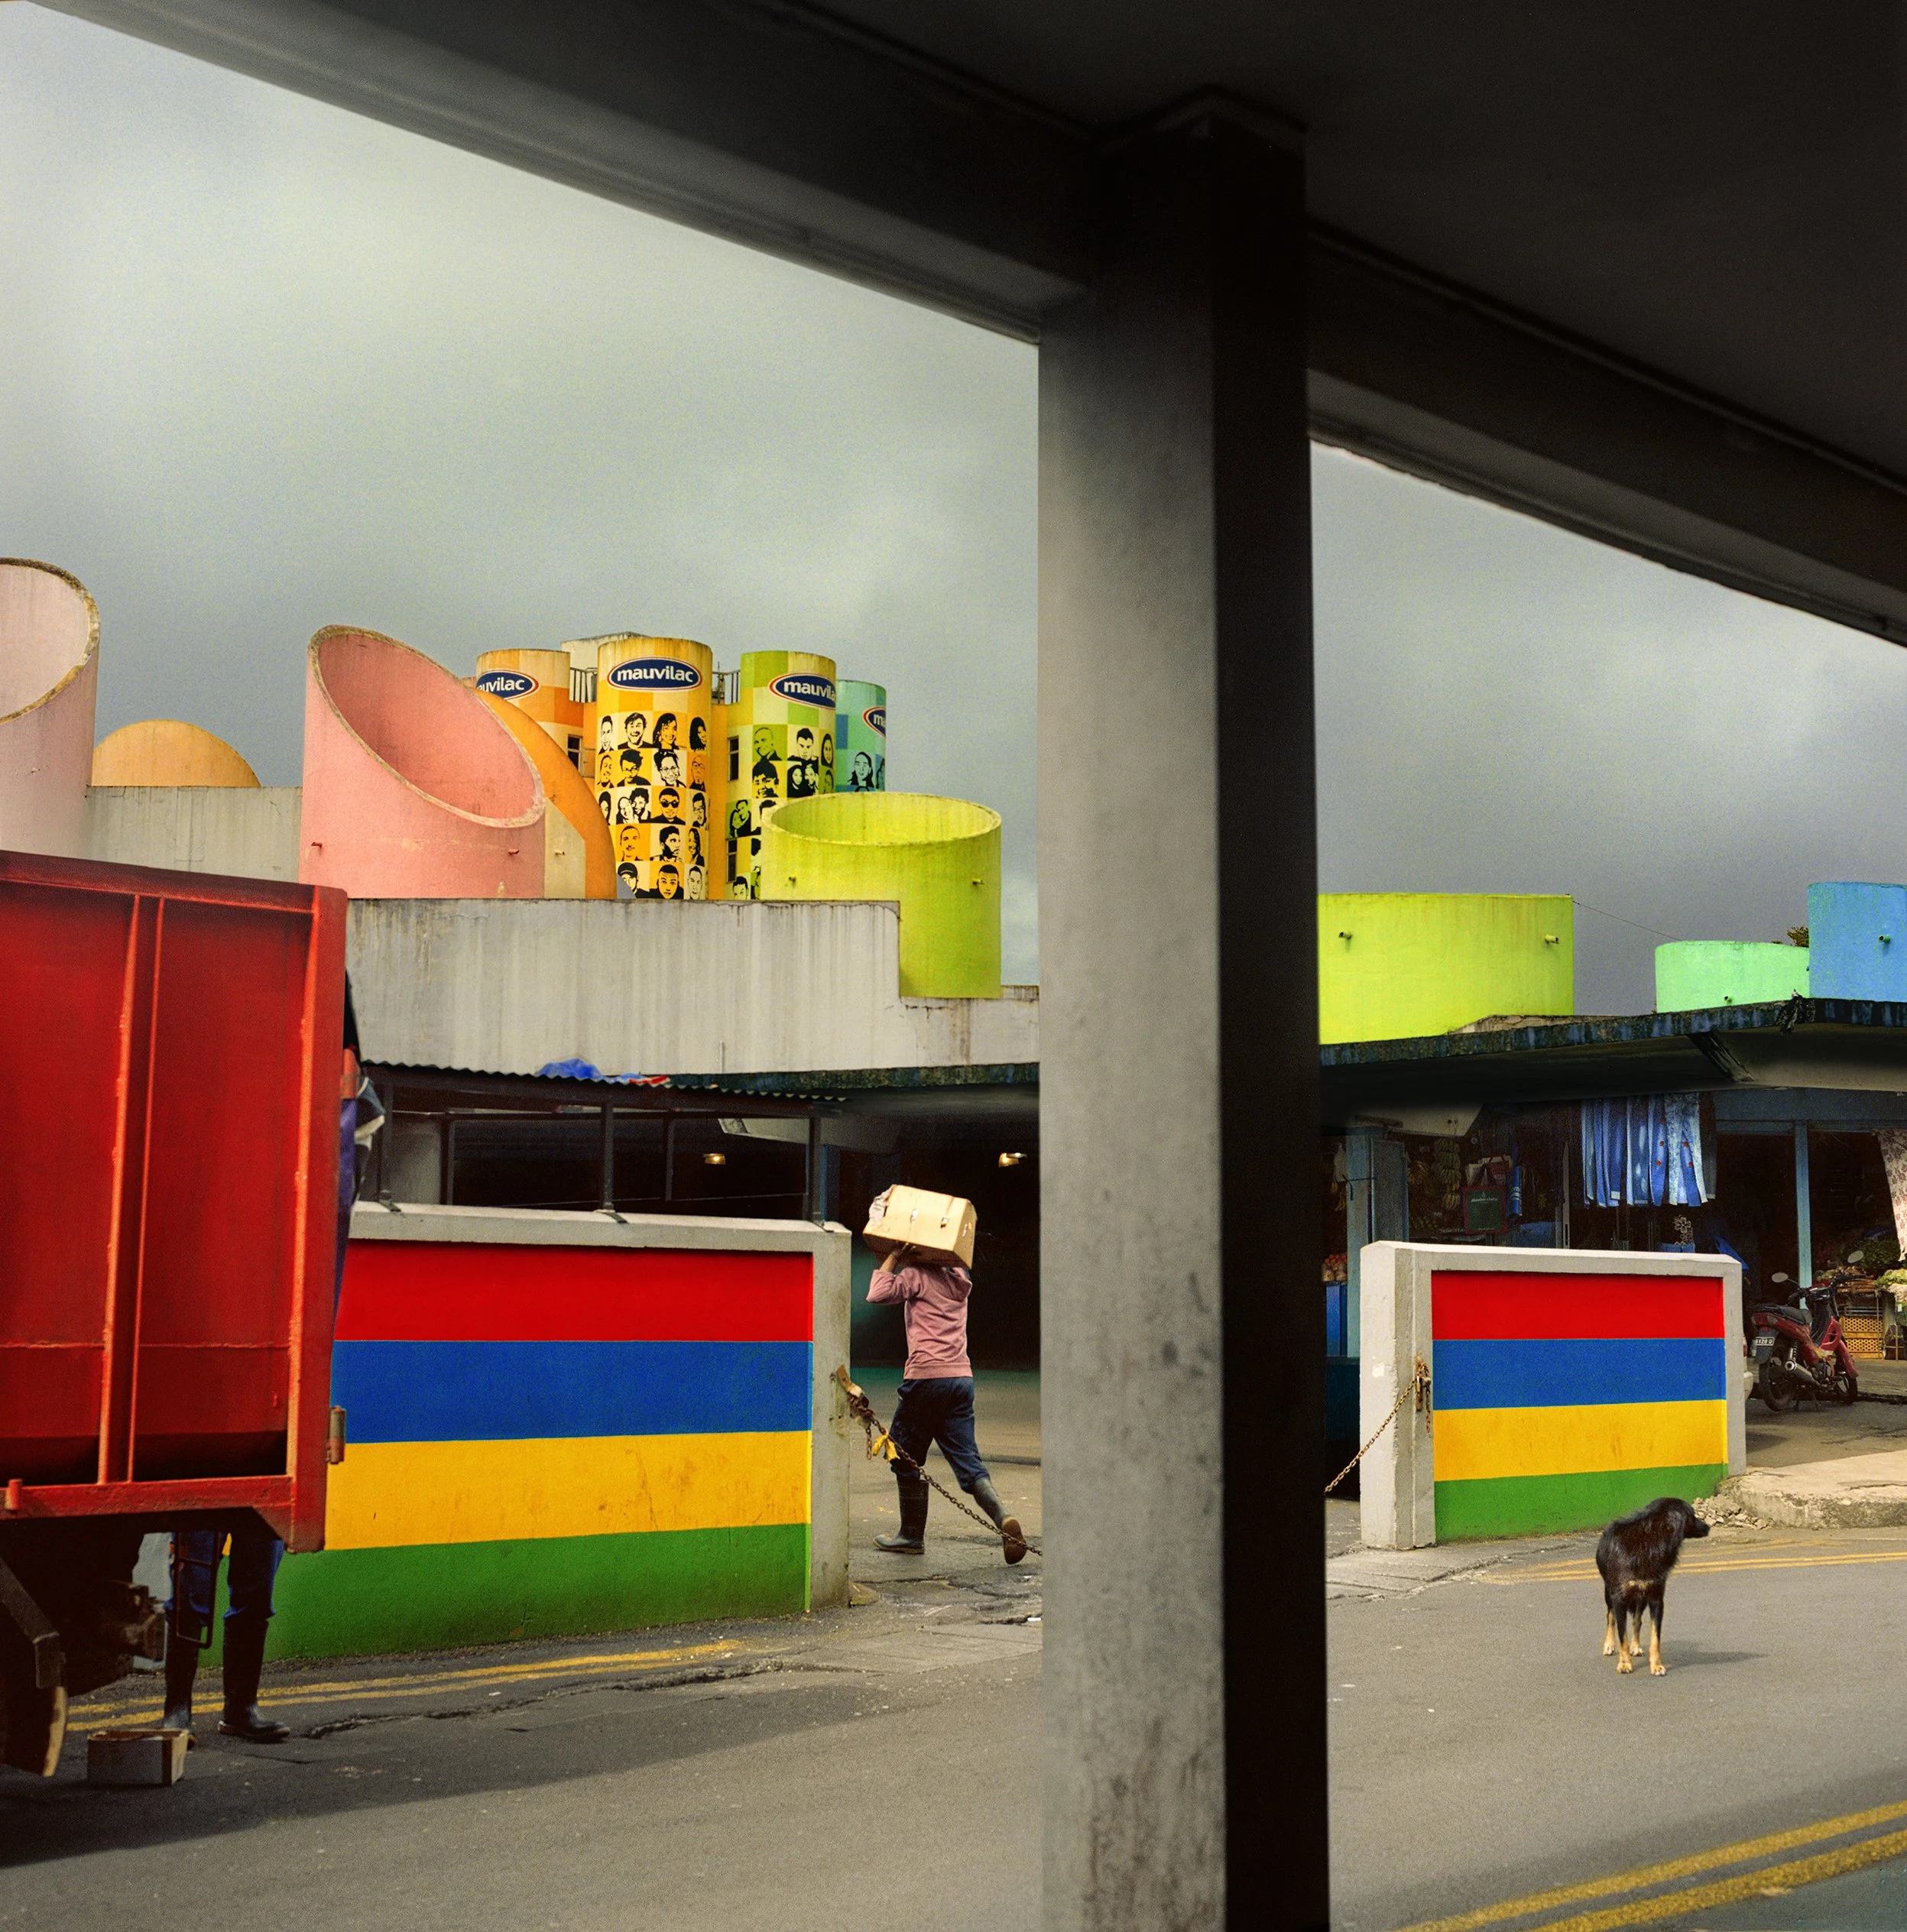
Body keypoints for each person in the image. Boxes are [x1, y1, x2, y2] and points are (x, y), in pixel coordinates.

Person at [866, 1240, 1024, 1561]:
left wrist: (895, 1256)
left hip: (926, 1379)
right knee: (970, 1465)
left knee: (903, 1456)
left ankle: (911, 1535)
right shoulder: (959, 1277)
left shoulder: (917, 1275)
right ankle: (1004, 1520)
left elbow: (877, 1293)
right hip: (960, 1380)